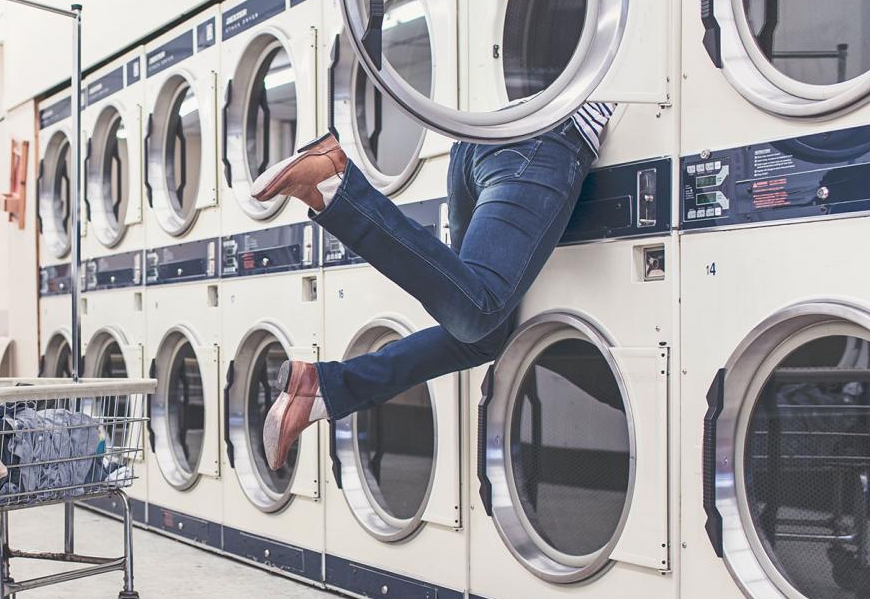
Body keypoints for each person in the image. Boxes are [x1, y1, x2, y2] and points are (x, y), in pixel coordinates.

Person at [250, 103, 614, 471]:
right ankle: (334, 184)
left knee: (479, 335)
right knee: (477, 312)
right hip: (546, 143)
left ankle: (323, 389)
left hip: (481, 143)